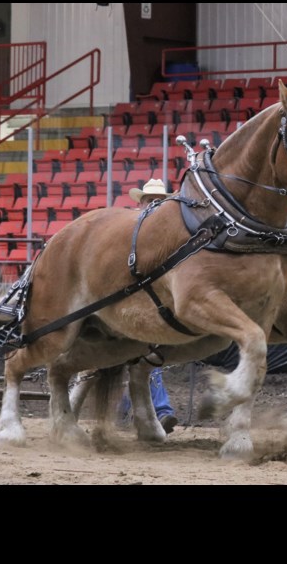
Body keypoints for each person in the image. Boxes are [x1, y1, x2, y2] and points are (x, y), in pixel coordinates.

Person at [124, 178, 179, 434]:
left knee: (145, 359)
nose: (154, 205)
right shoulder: (126, 230)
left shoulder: (168, 235)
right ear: (141, 203)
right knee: (141, 360)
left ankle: (156, 411)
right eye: (150, 201)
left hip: (151, 303)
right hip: (128, 302)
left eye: (159, 201)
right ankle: (158, 411)